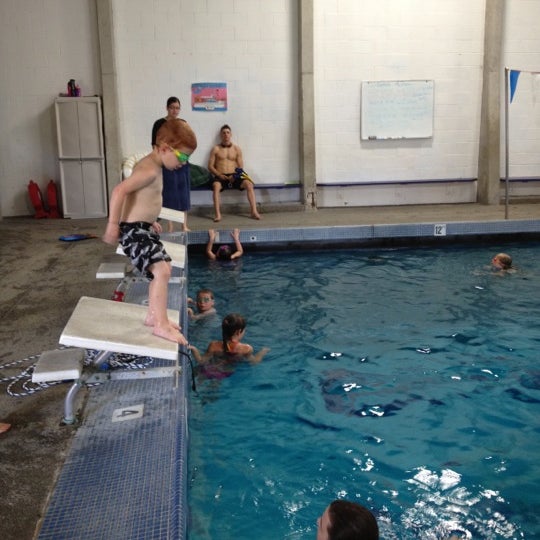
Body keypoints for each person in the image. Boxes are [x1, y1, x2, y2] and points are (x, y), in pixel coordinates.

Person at [102, 118, 197, 344]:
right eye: (183, 156)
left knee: (165, 267)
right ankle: (160, 325)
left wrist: (148, 220)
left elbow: (139, 198)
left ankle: (154, 317)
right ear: (164, 148)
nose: (184, 163)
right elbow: (119, 191)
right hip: (133, 231)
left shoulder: (154, 165)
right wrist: (113, 225)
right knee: (162, 271)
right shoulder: (149, 170)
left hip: (140, 227)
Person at [151, 97, 192, 232]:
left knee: (183, 194)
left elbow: (187, 144)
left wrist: (182, 159)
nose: (175, 110)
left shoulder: (183, 123)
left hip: (182, 164)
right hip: (167, 163)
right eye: (172, 107)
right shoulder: (159, 124)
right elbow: (155, 145)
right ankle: (170, 226)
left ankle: (184, 225)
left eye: (177, 108)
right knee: (169, 195)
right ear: (167, 108)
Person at [208, 124, 261, 222]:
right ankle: (218, 215)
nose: (226, 135)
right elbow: (210, 166)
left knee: (249, 184)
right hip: (221, 175)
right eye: (224, 133)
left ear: (231, 134)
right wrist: (219, 175)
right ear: (221, 135)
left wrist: (235, 175)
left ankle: (254, 211)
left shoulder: (237, 149)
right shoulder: (216, 149)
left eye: (228, 132)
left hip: (235, 175)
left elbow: (241, 166)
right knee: (216, 186)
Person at [189, 313, 270, 377]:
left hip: (209, 369)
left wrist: (193, 349)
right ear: (238, 332)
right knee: (213, 390)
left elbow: (201, 361)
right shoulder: (246, 349)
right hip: (225, 372)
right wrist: (263, 351)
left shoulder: (213, 345)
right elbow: (254, 362)